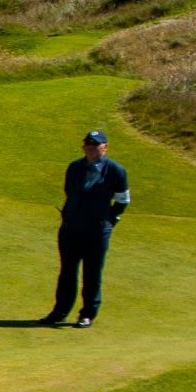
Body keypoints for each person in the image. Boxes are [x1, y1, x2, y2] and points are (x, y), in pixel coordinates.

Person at [43, 129, 130, 328]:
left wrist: (109, 220)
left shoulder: (116, 170)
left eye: (95, 144)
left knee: (92, 273)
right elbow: (69, 192)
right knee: (67, 272)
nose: (91, 147)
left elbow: (122, 200)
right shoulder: (74, 167)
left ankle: (87, 314)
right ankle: (60, 311)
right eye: (87, 144)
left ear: (105, 147)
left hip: (97, 231)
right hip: (71, 228)